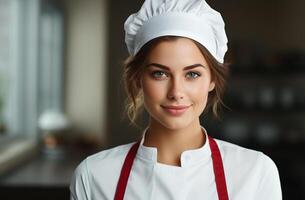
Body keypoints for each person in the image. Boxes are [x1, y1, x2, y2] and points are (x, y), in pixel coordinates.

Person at [70, 0, 282, 199]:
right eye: (159, 74)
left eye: (192, 74)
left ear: (212, 80)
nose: (176, 92)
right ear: (138, 79)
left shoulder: (256, 172)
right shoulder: (94, 177)